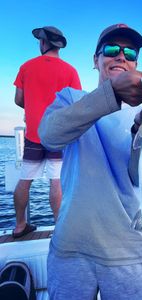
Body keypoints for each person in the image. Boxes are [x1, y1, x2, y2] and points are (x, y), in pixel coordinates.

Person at [39, 24, 142, 300]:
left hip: (129, 251)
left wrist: (140, 138)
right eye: (112, 49)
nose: (121, 56)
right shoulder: (70, 99)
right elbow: (49, 135)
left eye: (129, 52)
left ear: (136, 64)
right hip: (70, 248)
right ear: (96, 60)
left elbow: (140, 177)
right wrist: (112, 95)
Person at [12, 26, 82, 238]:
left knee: (25, 180)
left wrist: (33, 106)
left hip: (34, 134)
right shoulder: (70, 71)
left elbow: (18, 99)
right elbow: (76, 103)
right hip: (58, 135)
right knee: (56, 181)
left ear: (43, 43)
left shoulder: (26, 67)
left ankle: (19, 226)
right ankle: (58, 228)